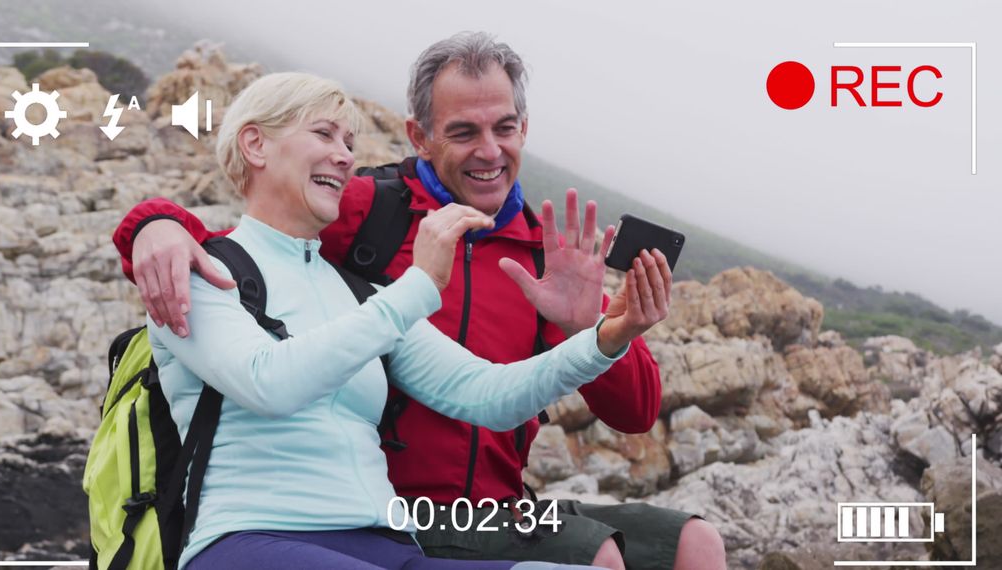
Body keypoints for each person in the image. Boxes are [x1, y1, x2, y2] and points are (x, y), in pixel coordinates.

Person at [115, 33, 725, 570]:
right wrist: (151, 225)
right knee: (597, 553)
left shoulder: (548, 253)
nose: (489, 151)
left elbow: (506, 397)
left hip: (475, 513)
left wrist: (594, 329)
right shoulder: (366, 210)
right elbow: (246, 241)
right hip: (389, 513)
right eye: (463, 132)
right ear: (420, 137)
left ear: (523, 130)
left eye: (504, 128)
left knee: (690, 542)